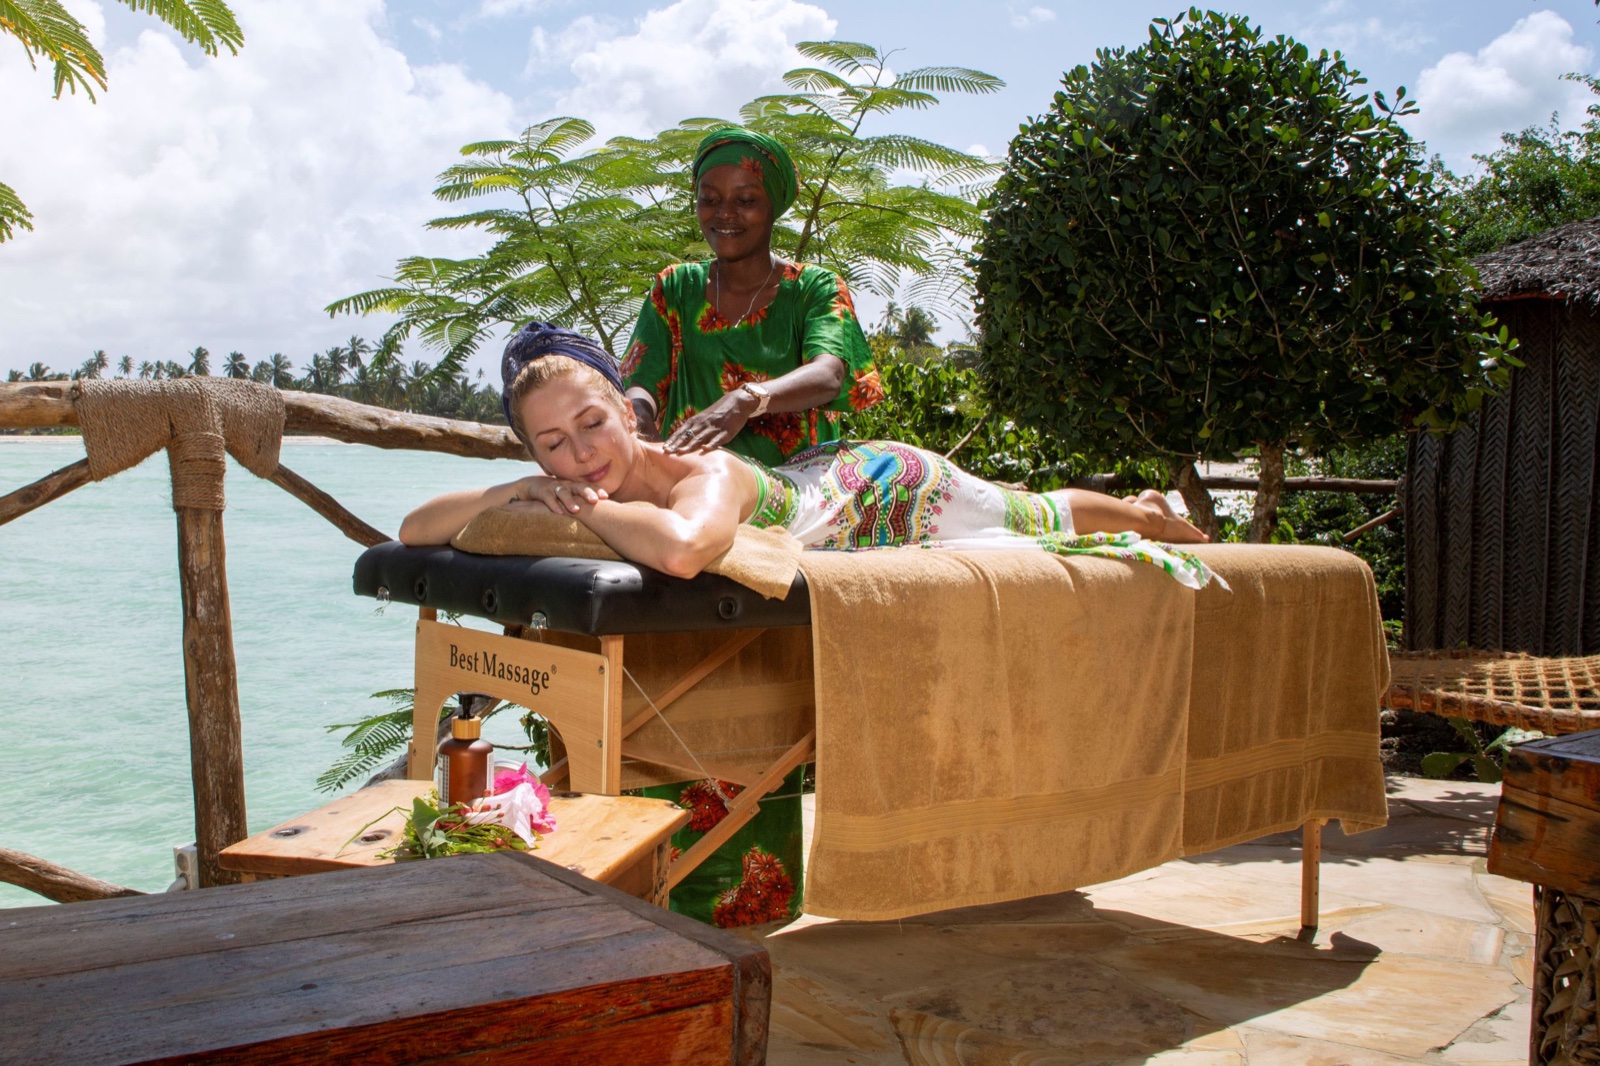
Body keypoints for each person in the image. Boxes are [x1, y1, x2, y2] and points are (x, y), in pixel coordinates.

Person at [401, 328, 1217, 588]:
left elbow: (685, 550)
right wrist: (519, 485)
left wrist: (585, 505)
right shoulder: (552, 472)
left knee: (1030, 514)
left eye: (591, 425)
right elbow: (412, 524)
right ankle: (1136, 507)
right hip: (812, 478)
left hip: (883, 486)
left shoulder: (706, 475)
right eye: (553, 444)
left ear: (625, 408)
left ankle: (1144, 512)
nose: (579, 454)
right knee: (1025, 507)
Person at [619, 127, 884, 464]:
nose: (724, 213)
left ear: (773, 206)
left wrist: (745, 399)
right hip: (692, 480)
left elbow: (828, 375)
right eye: (710, 199)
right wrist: (639, 418)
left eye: (745, 200)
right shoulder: (674, 288)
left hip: (797, 487)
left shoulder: (815, 289)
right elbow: (641, 381)